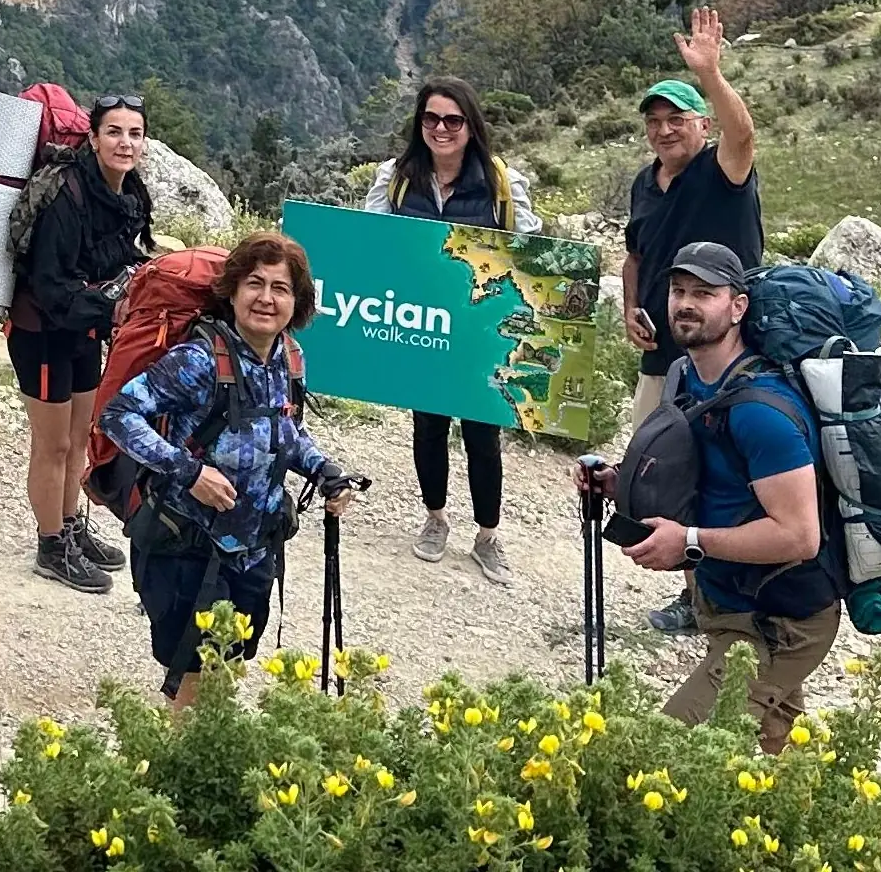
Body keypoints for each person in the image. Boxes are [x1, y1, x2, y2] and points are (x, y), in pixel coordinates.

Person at [576, 242, 839, 754]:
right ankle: (801, 822)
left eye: (704, 293)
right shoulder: (685, 376)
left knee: (665, 751)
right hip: (729, 603)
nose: (685, 303)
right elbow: (698, 469)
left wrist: (689, 541)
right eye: (678, 291)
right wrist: (617, 481)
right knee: (772, 741)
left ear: (738, 306)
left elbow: (800, 536)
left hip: (780, 619)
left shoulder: (763, 412)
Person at [99, 231, 355, 711]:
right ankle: (180, 774)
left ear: (296, 301)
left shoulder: (289, 359)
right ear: (233, 291)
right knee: (195, 678)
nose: (266, 298)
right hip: (187, 544)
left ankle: (199, 762)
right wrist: (190, 472)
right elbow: (118, 414)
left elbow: (285, 432)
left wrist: (325, 471)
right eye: (254, 283)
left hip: (254, 546)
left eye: (280, 288)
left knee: (226, 668)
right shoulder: (198, 360)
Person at [363, 76, 542, 586]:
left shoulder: (501, 182)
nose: (441, 129)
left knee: (484, 432)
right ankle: (435, 517)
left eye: (452, 120)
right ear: (419, 124)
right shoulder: (396, 177)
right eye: (431, 119)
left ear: (470, 126)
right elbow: (371, 239)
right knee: (429, 426)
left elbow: (523, 247)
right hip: (422, 325)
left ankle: (487, 534)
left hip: (481, 328)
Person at [622, 7, 764, 635]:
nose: (663, 131)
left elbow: (744, 135)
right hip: (662, 354)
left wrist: (709, 73)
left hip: (724, 352)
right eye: (654, 122)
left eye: (676, 119)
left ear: (700, 124)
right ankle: (692, 591)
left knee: (725, 468)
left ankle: (732, 591)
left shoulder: (722, 172)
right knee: (666, 468)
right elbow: (635, 253)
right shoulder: (644, 183)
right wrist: (630, 305)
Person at [5, 95, 155, 595]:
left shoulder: (129, 193)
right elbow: (49, 287)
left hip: (82, 330)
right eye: (114, 132)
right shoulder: (67, 195)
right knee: (54, 444)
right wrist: (110, 308)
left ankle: (69, 527)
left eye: (134, 133)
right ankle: (51, 546)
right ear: (93, 139)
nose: (124, 143)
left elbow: (118, 255)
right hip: (41, 331)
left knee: (80, 435)